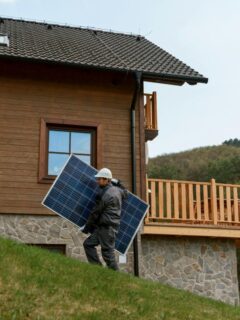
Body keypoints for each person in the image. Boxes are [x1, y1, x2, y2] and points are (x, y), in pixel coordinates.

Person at [82, 168, 128, 271]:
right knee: (88, 244)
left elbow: (95, 213)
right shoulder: (118, 191)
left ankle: (116, 277)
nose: (97, 181)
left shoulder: (105, 194)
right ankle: (97, 269)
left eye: (99, 179)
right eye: (97, 179)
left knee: (108, 254)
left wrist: (86, 228)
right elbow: (126, 193)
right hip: (103, 228)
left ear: (107, 180)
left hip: (108, 229)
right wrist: (119, 183)